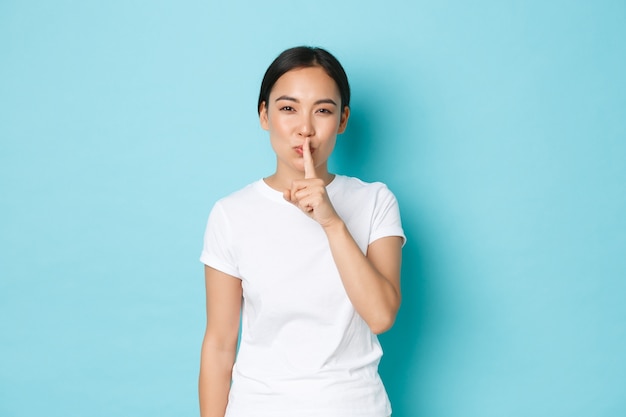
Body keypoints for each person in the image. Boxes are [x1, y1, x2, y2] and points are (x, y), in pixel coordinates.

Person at [199, 46, 405, 417]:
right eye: (288, 108)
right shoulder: (231, 213)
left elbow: (381, 316)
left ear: (342, 120)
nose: (305, 128)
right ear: (264, 115)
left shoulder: (375, 201)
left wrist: (330, 221)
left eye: (323, 110)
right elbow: (219, 345)